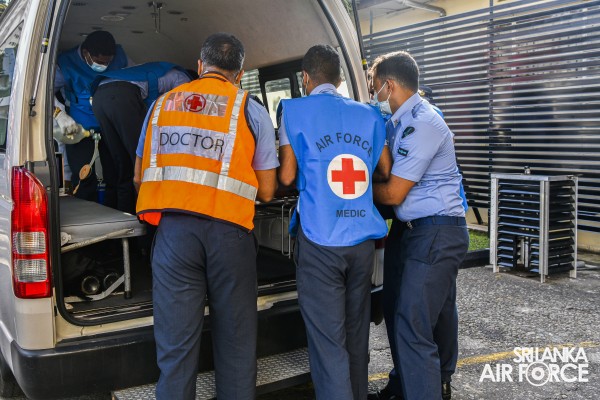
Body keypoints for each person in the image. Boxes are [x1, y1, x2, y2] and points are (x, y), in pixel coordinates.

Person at [134, 33, 278, 400]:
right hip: (230, 235)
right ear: (240, 73)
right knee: (237, 345)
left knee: (176, 350)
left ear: (200, 66)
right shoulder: (250, 108)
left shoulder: (161, 105)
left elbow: (138, 177)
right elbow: (267, 190)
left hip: (175, 236)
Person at [278, 45, 391, 400]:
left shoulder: (293, 111)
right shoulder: (369, 114)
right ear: (340, 79)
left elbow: (287, 176)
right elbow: (385, 169)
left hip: (320, 239)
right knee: (356, 336)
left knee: (328, 344)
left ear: (305, 78)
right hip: (362, 242)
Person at [367, 51, 469, 400]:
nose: (373, 95)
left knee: (414, 322)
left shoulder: (423, 122)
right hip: (410, 229)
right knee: (399, 308)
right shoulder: (396, 122)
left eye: (374, 87)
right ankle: (404, 386)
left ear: (389, 85)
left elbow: (394, 191)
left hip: (436, 230)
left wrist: (353, 192)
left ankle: (431, 386)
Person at [90, 63, 191, 214]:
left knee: (122, 164)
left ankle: (124, 215)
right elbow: (182, 114)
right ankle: (146, 214)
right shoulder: (183, 79)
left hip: (99, 96)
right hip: (122, 96)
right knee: (142, 163)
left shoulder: (155, 70)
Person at [54, 30, 132, 203]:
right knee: (84, 176)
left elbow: (136, 80)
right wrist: (60, 114)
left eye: (108, 62)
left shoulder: (121, 57)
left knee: (116, 173)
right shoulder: (66, 63)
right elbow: (45, 93)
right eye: (99, 62)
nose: (104, 65)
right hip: (79, 128)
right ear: (86, 53)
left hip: (111, 125)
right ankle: (85, 212)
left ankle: (115, 211)